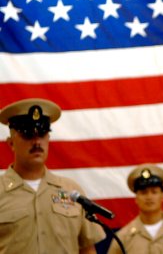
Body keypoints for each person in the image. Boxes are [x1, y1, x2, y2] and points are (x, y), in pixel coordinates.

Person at [0, 98, 105, 253]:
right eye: (27, 134)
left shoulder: (72, 192)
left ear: (48, 138)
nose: (36, 142)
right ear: (11, 143)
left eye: (42, 133)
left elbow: (87, 250)